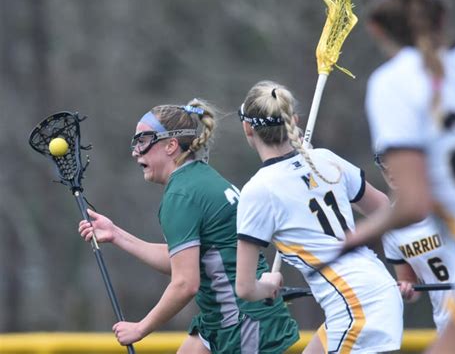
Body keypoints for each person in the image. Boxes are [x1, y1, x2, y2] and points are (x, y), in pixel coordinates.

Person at [78, 99, 299, 353]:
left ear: (171, 145)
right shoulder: (203, 179)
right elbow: (184, 261)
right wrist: (116, 234)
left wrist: (141, 328)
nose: (135, 151)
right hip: (226, 318)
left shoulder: (182, 195)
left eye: (143, 141)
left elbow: (186, 283)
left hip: (242, 323)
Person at [342, 0, 455, 352]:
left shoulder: (392, 83)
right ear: (442, 15)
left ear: (376, 29)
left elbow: (413, 203)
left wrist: (353, 239)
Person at [234, 80, 403, 354]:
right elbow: (383, 207)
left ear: (247, 128)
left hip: (355, 305)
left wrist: (267, 285)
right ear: (294, 120)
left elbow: (244, 287)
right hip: (376, 287)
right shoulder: (325, 159)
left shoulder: (257, 190)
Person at [375, 150, 452, 332]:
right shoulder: (392, 226)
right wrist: (407, 290)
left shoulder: (452, 200)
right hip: (448, 326)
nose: (390, 169)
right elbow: (410, 283)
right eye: (383, 161)